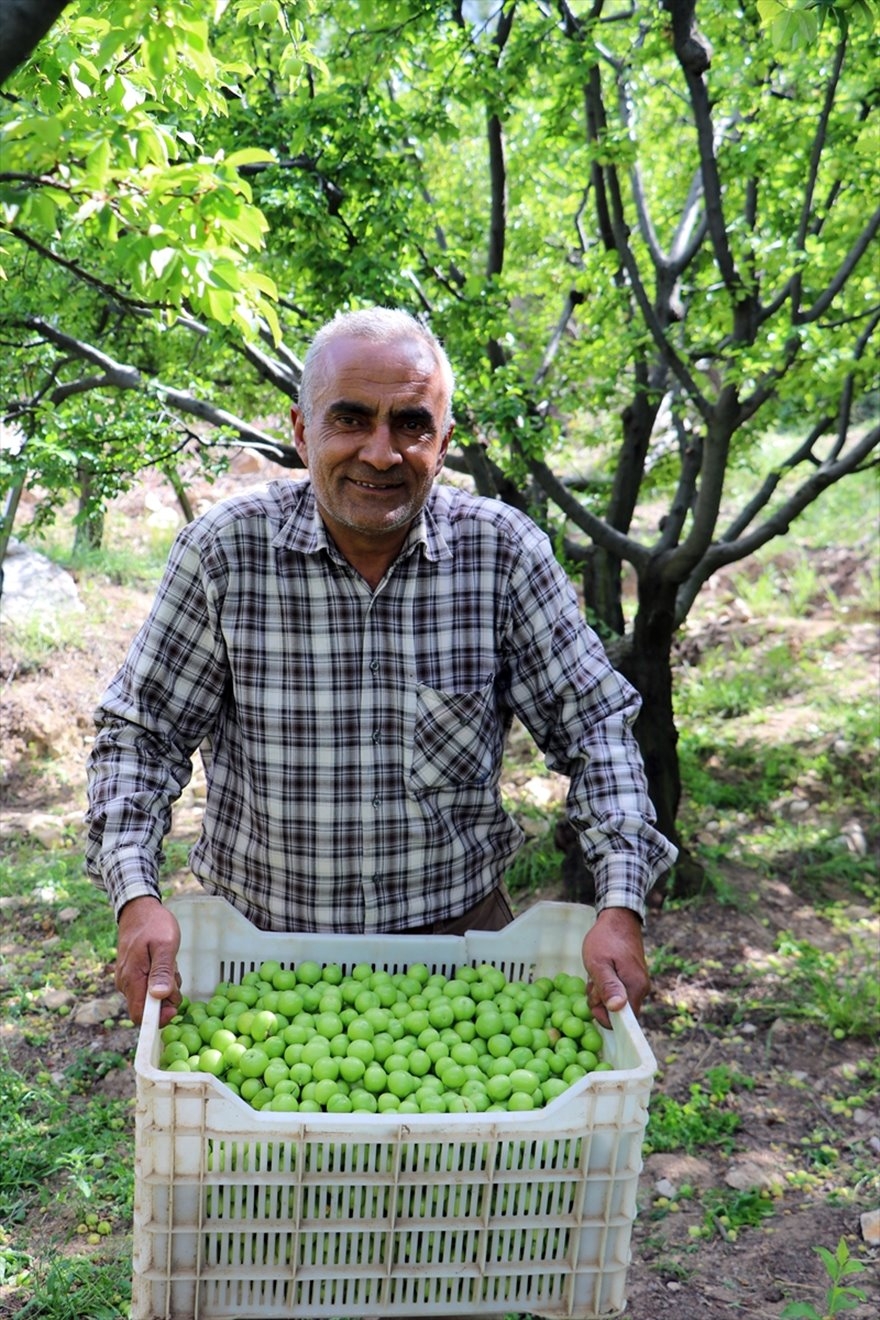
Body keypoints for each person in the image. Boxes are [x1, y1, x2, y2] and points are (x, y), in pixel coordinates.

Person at [85, 307, 676, 1033]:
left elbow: (595, 732)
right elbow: (141, 737)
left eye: (411, 425)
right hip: (260, 959)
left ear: (444, 443)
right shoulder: (225, 555)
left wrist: (620, 903)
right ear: (301, 431)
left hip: (459, 958)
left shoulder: (502, 556)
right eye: (351, 419)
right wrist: (136, 895)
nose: (381, 452)